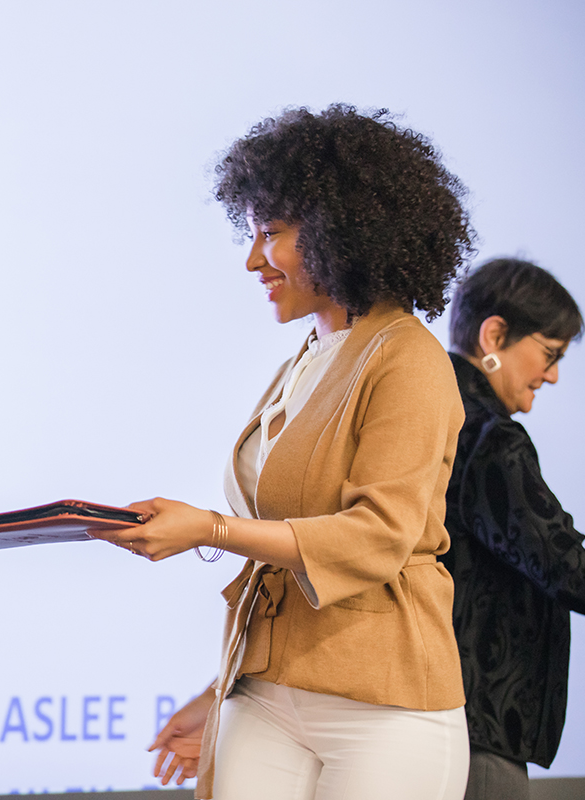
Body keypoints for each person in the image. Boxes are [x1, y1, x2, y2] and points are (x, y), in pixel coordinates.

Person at [92, 105, 475, 800]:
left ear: (340, 230)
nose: (252, 260)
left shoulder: (409, 359)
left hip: (384, 704)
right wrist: (221, 687)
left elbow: (377, 536)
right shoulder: (307, 358)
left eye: (270, 233)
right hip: (267, 690)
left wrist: (210, 530)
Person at [441, 257, 585, 800]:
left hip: (430, 713)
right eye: (549, 355)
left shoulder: (430, 415)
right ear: (494, 335)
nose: (551, 376)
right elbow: (565, 565)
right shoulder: (488, 436)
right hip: (476, 725)